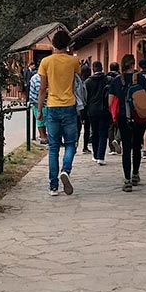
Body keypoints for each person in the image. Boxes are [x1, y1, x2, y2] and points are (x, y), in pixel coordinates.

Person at [38, 29, 81, 196]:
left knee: (53, 147)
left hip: (52, 107)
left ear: (53, 44)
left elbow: (43, 89)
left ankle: (53, 186)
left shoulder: (46, 62)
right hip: (69, 106)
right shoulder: (73, 62)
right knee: (71, 143)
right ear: (67, 44)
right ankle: (66, 170)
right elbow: (77, 81)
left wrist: (40, 110)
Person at [109, 53, 146, 191]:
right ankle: (135, 174)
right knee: (137, 146)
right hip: (139, 117)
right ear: (133, 64)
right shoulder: (141, 79)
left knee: (126, 148)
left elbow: (110, 101)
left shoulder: (116, 81)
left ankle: (127, 180)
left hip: (123, 117)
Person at [84, 61, 111, 165]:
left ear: (93, 69)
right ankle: (101, 156)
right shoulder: (108, 80)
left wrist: (84, 113)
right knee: (103, 133)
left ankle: (95, 155)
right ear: (102, 68)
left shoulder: (88, 82)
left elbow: (85, 98)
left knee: (94, 132)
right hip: (105, 109)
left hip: (92, 110)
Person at [28, 69, 48, 145]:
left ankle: (44, 136)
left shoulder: (36, 77)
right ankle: (43, 137)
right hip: (37, 102)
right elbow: (40, 90)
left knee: (42, 120)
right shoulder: (37, 79)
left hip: (38, 101)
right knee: (41, 120)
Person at [107, 62, 121, 153]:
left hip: (110, 103)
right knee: (120, 124)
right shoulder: (120, 78)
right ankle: (117, 140)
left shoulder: (106, 77)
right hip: (119, 103)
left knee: (110, 126)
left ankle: (111, 147)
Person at [79, 62, 92, 153]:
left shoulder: (79, 81)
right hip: (89, 106)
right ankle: (85, 146)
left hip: (80, 106)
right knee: (87, 128)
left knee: (78, 127)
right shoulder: (89, 81)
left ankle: (75, 143)